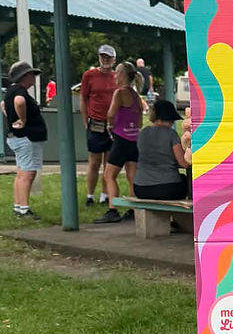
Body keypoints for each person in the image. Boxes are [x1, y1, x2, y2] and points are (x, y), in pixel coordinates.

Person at [94, 63, 144, 224]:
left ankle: (112, 209)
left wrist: (110, 125)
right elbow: (140, 121)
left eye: (116, 73)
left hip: (121, 139)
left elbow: (110, 113)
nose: (114, 75)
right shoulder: (136, 95)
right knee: (132, 176)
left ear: (122, 75)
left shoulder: (120, 92)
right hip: (134, 139)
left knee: (109, 175)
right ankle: (133, 209)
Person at [2, 60, 47, 219]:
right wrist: (22, 119)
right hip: (27, 138)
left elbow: (3, 104)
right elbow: (19, 102)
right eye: (31, 74)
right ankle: (24, 209)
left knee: (21, 173)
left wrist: (10, 117)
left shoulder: (10, 91)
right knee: (28, 173)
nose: (33, 77)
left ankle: (18, 205)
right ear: (25, 76)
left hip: (17, 137)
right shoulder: (20, 92)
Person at [79, 43, 117, 206]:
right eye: (102, 56)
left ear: (113, 59)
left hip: (112, 124)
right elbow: (83, 97)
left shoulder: (116, 77)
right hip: (96, 121)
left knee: (109, 162)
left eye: (108, 57)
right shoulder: (90, 75)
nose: (105, 60)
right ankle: (90, 194)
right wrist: (85, 120)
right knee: (94, 160)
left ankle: (105, 193)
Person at [134, 98, 189, 201]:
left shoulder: (142, 133)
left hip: (141, 188)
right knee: (184, 179)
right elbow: (184, 163)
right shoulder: (171, 134)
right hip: (168, 188)